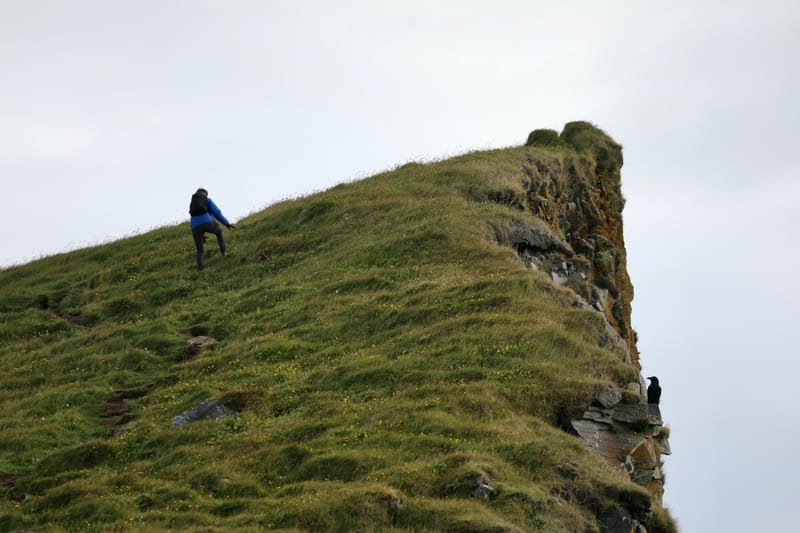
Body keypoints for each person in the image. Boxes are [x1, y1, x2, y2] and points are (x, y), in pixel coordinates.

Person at [189, 188, 235, 270]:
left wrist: (201, 235)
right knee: (219, 232)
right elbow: (216, 212)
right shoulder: (207, 199)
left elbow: (193, 218)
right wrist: (226, 223)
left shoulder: (193, 203)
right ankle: (224, 252)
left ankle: (200, 269)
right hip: (208, 222)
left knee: (200, 250)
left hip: (195, 227)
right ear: (205, 194)